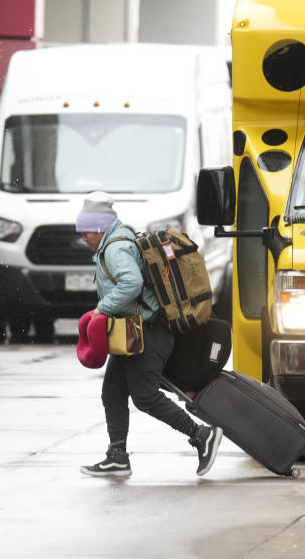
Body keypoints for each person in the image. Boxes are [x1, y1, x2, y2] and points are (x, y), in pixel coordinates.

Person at [76, 191, 223, 478]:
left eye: (85, 232)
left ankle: (202, 434)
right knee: (112, 392)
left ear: (98, 227)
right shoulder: (115, 241)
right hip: (133, 332)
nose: (83, 238)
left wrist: (100, 310)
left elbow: (131, 284)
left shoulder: (115, 248)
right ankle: (117, 456)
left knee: (144, 395)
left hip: (149, 330)